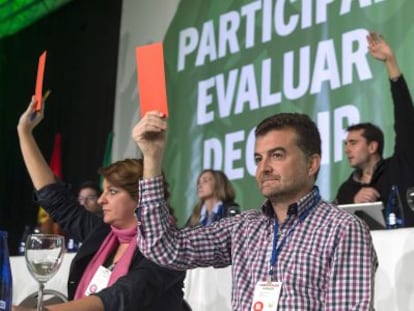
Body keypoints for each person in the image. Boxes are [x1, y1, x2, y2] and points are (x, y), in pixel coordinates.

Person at [133, 110, 378, 310]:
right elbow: (163, 246)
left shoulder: (343, 229)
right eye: (259, 159)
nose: (264, 168)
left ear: (311, 164)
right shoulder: (245, 226)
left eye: (277, 155)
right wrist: (152, 158)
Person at [14, 98, 187, 311]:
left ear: (142, 198)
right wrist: (24, 132)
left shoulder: (170, 247)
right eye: (104, 191)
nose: (101, 199)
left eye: (112, 192)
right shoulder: (103, 233)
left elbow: (120, 297)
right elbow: (55, 199)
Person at [335, 32, 414, 227]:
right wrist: (352, 203)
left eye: (353, 143)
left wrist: (390, 62)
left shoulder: (400, 166)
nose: (347, 149)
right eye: (346, 144)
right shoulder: (346, 189)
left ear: (372, 146)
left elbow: (405, 119)